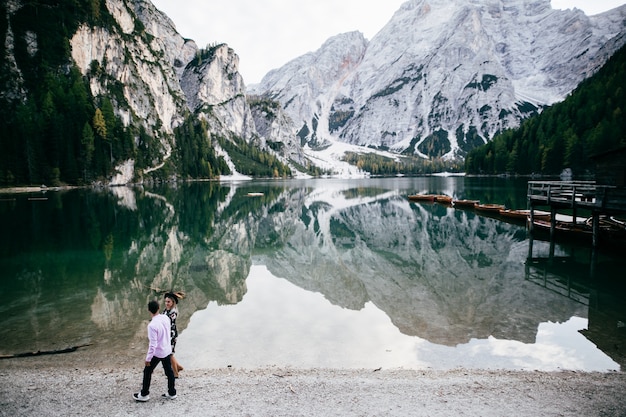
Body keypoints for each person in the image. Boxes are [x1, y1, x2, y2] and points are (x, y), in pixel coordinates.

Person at [133, 300, 177, 402]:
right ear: (158, 308)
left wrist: (148, 359)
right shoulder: (166, 318)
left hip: (158, 352)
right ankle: (172, 392)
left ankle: (144, 394)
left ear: (149, 310)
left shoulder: (152, 325)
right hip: (167, 349)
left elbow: (153, 345)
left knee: (147, 371)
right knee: (169, 372)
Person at [163, 292, 184, 377]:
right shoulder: (166, 310)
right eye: (166, 301)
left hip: (171, 335)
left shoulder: (173, 312)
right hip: (167, 334)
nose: (166, 303)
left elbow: (169, 323)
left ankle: (175, 373)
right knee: (170, 353)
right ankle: (178, 367)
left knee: (170, 353)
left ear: (173, 302)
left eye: (168, 302)